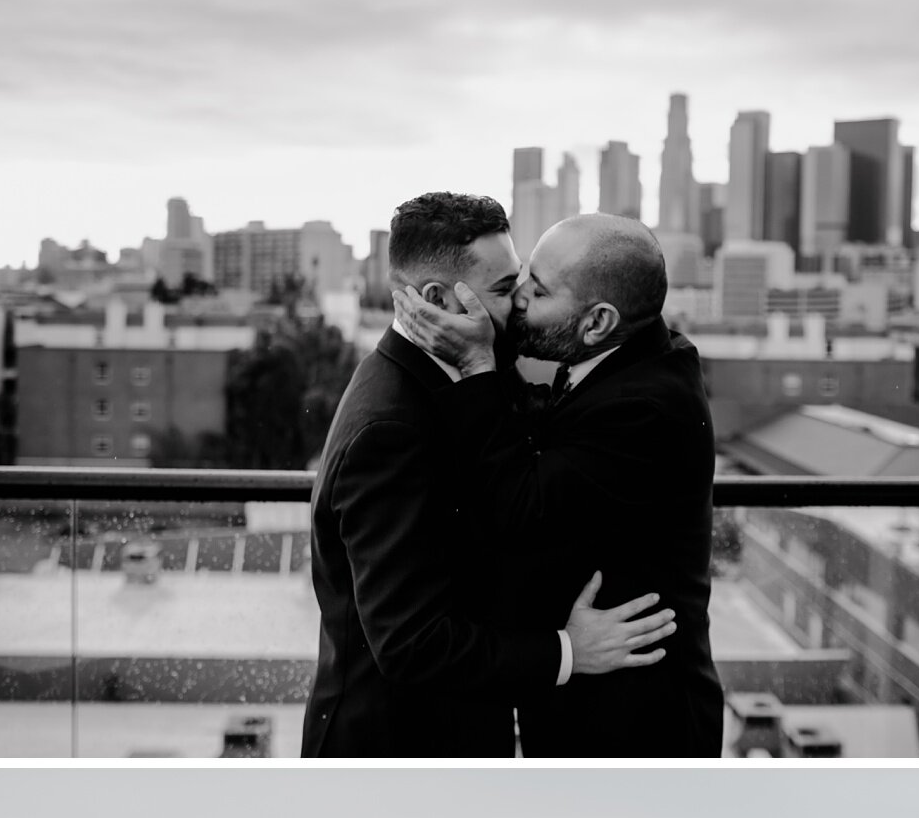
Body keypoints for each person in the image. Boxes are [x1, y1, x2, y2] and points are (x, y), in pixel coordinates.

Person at [301, 191, 674, 760]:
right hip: (397, 757)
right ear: (436, 299)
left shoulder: (457, 379)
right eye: (503, 290)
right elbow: (410, 644)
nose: (520, 303)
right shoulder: (391, 426)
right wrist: (568, 651)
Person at [512, 220, 724, 761]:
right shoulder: (629, 359)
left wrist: (471, 367)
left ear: (597, 321)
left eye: (537, 290)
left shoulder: (645, 408)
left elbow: (518, 505)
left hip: (635, 731)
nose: (518, 297)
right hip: (602, 711)